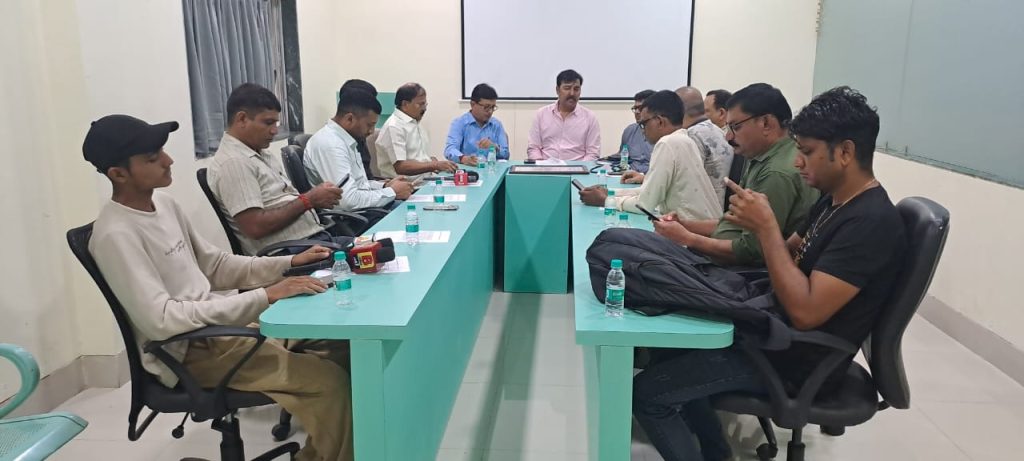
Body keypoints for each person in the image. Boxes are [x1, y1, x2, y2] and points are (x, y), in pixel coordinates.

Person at [633, 86, 907, 461]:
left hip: (794, 359)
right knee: (668, 350)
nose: (798, 163)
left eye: (807, 152)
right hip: (775, 332)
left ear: (845, 152)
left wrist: (764, 229)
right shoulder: (834, 201)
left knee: (647, 395)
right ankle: (716, 454)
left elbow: (806, 312)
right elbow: (789, 249)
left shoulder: (869, 222)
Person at [84, 114, 354, 461]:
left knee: (340, 346)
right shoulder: (116, 234)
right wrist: (265, 296)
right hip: (190, 351)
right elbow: (162, 321)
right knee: (329, 383)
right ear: (118, 174)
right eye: (153, 158)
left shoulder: (164, 205)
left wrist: (287, 264)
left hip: (222, 331)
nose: (168, 160)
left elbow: (215, 266)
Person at [652, 83, 819, 267]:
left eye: (736, 127)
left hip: (740, 274)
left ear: (766, 123)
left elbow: (751, 252)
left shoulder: (776, 173)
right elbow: (732, 224)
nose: (728, 137)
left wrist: (688, 238)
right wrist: (684, 225)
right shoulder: (761, 158)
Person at [207, 83, 351, 256]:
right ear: (242, 119)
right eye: (268, 123)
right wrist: (308, 200)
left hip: (311, 241)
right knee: (372, 253)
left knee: (375, 246)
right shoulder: (234, 162)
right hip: (290, 254)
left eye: (276, 123)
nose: (275, 131)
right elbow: (255, 227)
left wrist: (313, 199)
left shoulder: (259, 153)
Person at [578, 90, 721, 221]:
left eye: (643, 124)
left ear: (660, 121)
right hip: (707, 227)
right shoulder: (685, 139)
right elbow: (648, 191)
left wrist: (605, 200)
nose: (642, 130)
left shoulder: (667, 143)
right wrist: (610, 192)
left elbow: (644, 205)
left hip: (692, 232)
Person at [304, 89, 413, 216]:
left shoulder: (345, 140)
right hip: (349, 219)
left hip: (362, 211)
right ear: (350, 119)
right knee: (411, 214)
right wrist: (392, 192)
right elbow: (348, 201)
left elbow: (360, 185)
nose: (372, 131)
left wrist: (385, 186)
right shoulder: (331, 145)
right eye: (369, 125)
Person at [375, 83, 457, 179]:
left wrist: (431, 161)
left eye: (425, 104)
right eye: (420, 104)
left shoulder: (414, 121)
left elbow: (418, 157)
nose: (424, 108)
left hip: (426, 180)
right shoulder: (394, 127)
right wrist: (434, 165)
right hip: (405, 185)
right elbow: (401, 167)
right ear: (405, 104)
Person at [677, 86, 735, 206]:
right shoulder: (716, 130)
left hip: (702, 210)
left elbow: (686, 184)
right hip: (719, 206)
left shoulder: (692, 135)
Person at [527, 69, 601, 161]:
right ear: (557, 90)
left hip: (578, 168)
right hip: (546, 167)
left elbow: (593, 153)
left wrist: (581, 167)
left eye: (576, 89)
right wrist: (541, 165)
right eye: (567, 88)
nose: (572, 93)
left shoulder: (590, 118)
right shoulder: (541, 114)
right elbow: (533, 148)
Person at [444, 83, 510, 166]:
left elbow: (506, 154)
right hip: (468, 170)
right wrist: (463, 158)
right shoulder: (459, 123)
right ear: (473, 104)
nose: (490, 111)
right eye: (486, 107)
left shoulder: (496, 125)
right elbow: (449, 150)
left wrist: (495, 148)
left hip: (492, 170)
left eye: (493, 107)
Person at [339, 79, 381, 179]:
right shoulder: (334, 144)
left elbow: (365, 179)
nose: (371, 131)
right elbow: (348, 188)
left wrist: (385, 185)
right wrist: (389, 187)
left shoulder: (357, 137)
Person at [618, 89, 656, 173]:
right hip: (628, 175)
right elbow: (621, 158)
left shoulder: (662, 133)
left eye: (640, 108)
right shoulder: (629, 131)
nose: (637, 112)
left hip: (651, 177)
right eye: (635, 108)